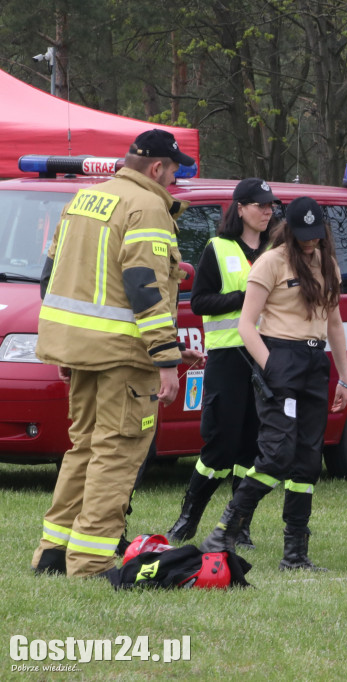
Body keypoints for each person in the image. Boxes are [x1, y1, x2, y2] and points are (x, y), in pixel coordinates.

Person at [30, 129, 200, 578]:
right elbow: (144, 287)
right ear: (157, 167)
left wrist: (72, 345)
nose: (173, 181)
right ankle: (89, 560)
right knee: (118, 452)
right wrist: (165, 360)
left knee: (83, 448)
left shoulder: (83, 200)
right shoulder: (146, 207)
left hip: (82, 350)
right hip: (125, 359)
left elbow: (52, 280)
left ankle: (53, 553)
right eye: (173, 171)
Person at [199, 197, 347, 571]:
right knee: (276, 455)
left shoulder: (327, 264)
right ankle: (224, 530)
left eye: (317, 236)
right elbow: (246, 325)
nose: (311, 243)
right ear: (290, 230)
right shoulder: (271, 261)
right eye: (305, 236)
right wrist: (270, 367)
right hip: (280, 358)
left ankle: (295, 554)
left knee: (307, 460)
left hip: (316, 363)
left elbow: (334, 324)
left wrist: (344, 377)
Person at [167, 178, 279, 547]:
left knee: (251, 448)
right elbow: (199, 302)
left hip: (265, 356)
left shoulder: (276, 249)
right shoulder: (218, 248)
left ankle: (238, 525)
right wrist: (244, 297)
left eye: (270, 206)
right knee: (219, 446)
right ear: (240, 208)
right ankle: (188, 518)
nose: (267, 211)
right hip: (228, 359)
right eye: (260, 205)